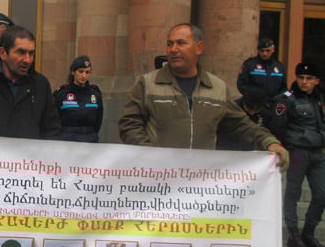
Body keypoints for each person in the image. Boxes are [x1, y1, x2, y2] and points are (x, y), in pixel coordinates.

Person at [118, 23, 289, 170]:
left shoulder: (217, 88)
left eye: (181, 43)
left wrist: (269, 142)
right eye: (170, 44)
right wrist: (150, 154)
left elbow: (240, 124)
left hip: (199, 181)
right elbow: (129, 124)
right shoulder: (148, 84)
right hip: (158, 176)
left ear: (199, 47)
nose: (173, 49)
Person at [269, 63, 325, 247]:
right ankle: (294, 235)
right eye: (301, 77)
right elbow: (278, 127)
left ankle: (308, 233)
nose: (304, 82)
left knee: (321, 194)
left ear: (317, 81)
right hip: (298, 151)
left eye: (309, 78)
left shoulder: (319, 98)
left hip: (318, 151)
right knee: (293, 193)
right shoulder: (286, 99)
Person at [53, 55, 103, 143]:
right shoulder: (62, 93)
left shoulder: (95, 94)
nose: (84, 76)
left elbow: (98, 120)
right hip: (67, 139)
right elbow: (55, 119)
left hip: (89, 139)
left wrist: (93, 135)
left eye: (87, 72)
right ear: (73, 72)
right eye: (81, 71)